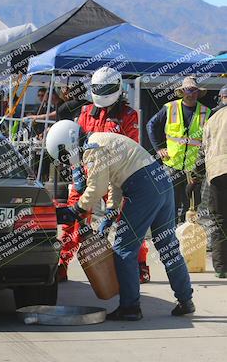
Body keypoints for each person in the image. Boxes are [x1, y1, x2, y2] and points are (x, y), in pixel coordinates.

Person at [46, 119, 195, 320]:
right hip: (161, 183)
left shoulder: (92, 148)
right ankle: (186, 300)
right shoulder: (102, 141)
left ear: (68, 143)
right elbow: (116, 180)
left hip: (143, 188)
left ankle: (130, 308)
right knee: (168, 246)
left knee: (124, 250)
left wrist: (76, 209)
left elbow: (96, 187)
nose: (65, 161)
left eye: (64, 156)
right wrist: (111, 210)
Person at [58, 67, 150, 284]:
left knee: (128, 220)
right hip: (88, 175)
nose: (103, 92)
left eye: (106, 88)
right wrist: (77, 172)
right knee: (74, 220)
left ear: (117, 88)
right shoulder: (85, 112)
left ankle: (140, 265)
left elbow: (131, 150)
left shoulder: (129, 115)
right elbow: (75, 146)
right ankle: (61, 264)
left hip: (117, 177)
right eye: (100, 88)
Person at [147, 76, 211, 223]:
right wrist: (158, 148)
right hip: (172, 164)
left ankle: (189, 236)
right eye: (189, 90)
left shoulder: (206, 112)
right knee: (171, 203)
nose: (192, 93)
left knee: (192, 205)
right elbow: (150, 125)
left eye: (195, 90)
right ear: (182, 91)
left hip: (194, 167)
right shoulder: (170, 108)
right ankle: (171, 234)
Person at [187, 85, 227, 278]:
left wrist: (196, 176)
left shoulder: (211, 120)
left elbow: (203, 153)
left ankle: (221, 269)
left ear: (221, 98)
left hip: (218, 173)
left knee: (219, 221)